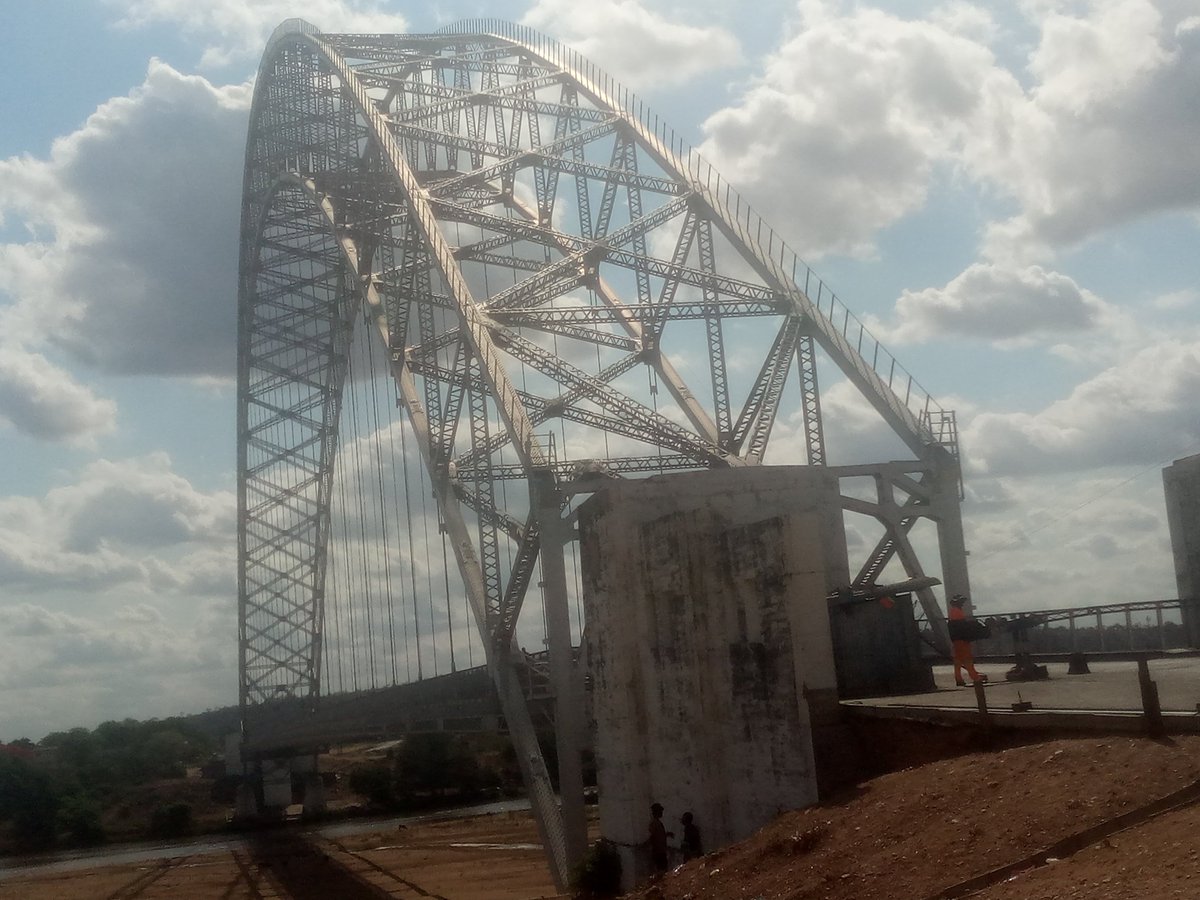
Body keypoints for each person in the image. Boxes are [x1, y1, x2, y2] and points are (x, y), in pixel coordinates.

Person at [947, 594, 987, 687]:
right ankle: (975, 677)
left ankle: (959, 678)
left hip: (957, 640)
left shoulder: (954, 611)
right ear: (957, 602)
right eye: (961, 601)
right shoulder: (956, 612)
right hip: (961, 640)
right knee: (967, 658)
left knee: (958, 660)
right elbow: (961, 626)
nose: (963, 603)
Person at [647, 802, 673, 873]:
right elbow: (653, 836)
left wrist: (666, 834)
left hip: (660, 851)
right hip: (658, 852)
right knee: (661, 872)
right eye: (660, 811)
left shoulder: (657, 823)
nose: (662, 813)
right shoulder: (654, 823)